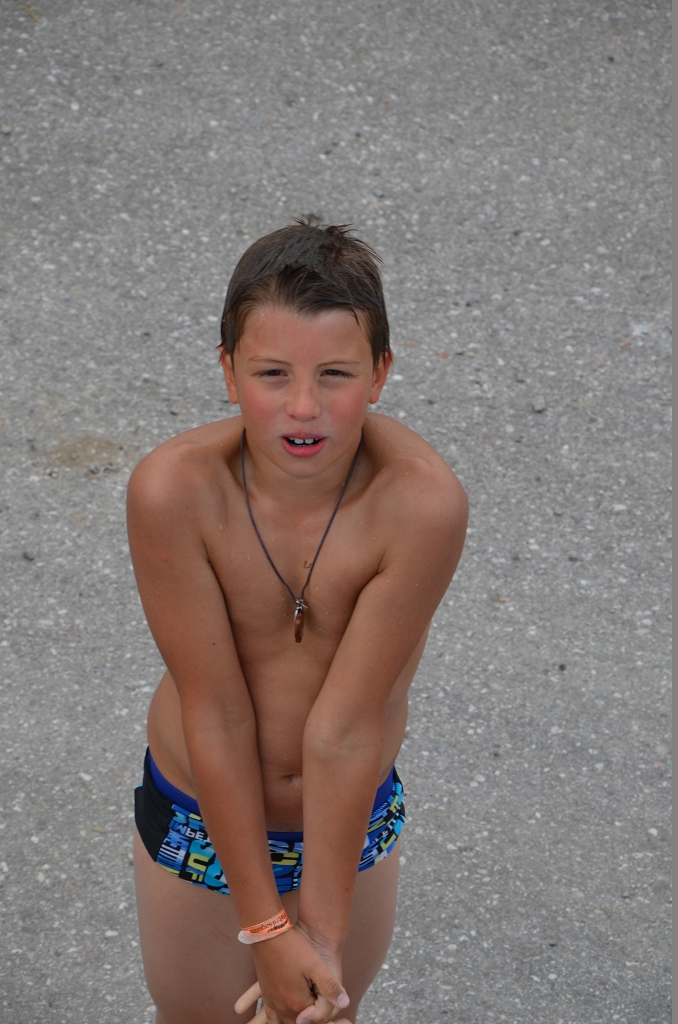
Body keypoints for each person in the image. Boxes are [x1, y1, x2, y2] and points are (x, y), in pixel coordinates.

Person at [127, 219, 468, 1024]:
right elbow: (216, 711)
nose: (304, 406)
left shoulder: (420, 504)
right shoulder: (174, 491)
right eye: (272, 373)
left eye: (335, 374)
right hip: (201, 813)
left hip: (345, 819)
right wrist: (267, 927)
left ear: (380, 373)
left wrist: (319, 936)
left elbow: (344, 730)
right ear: (228, 371)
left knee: (322, 1017)